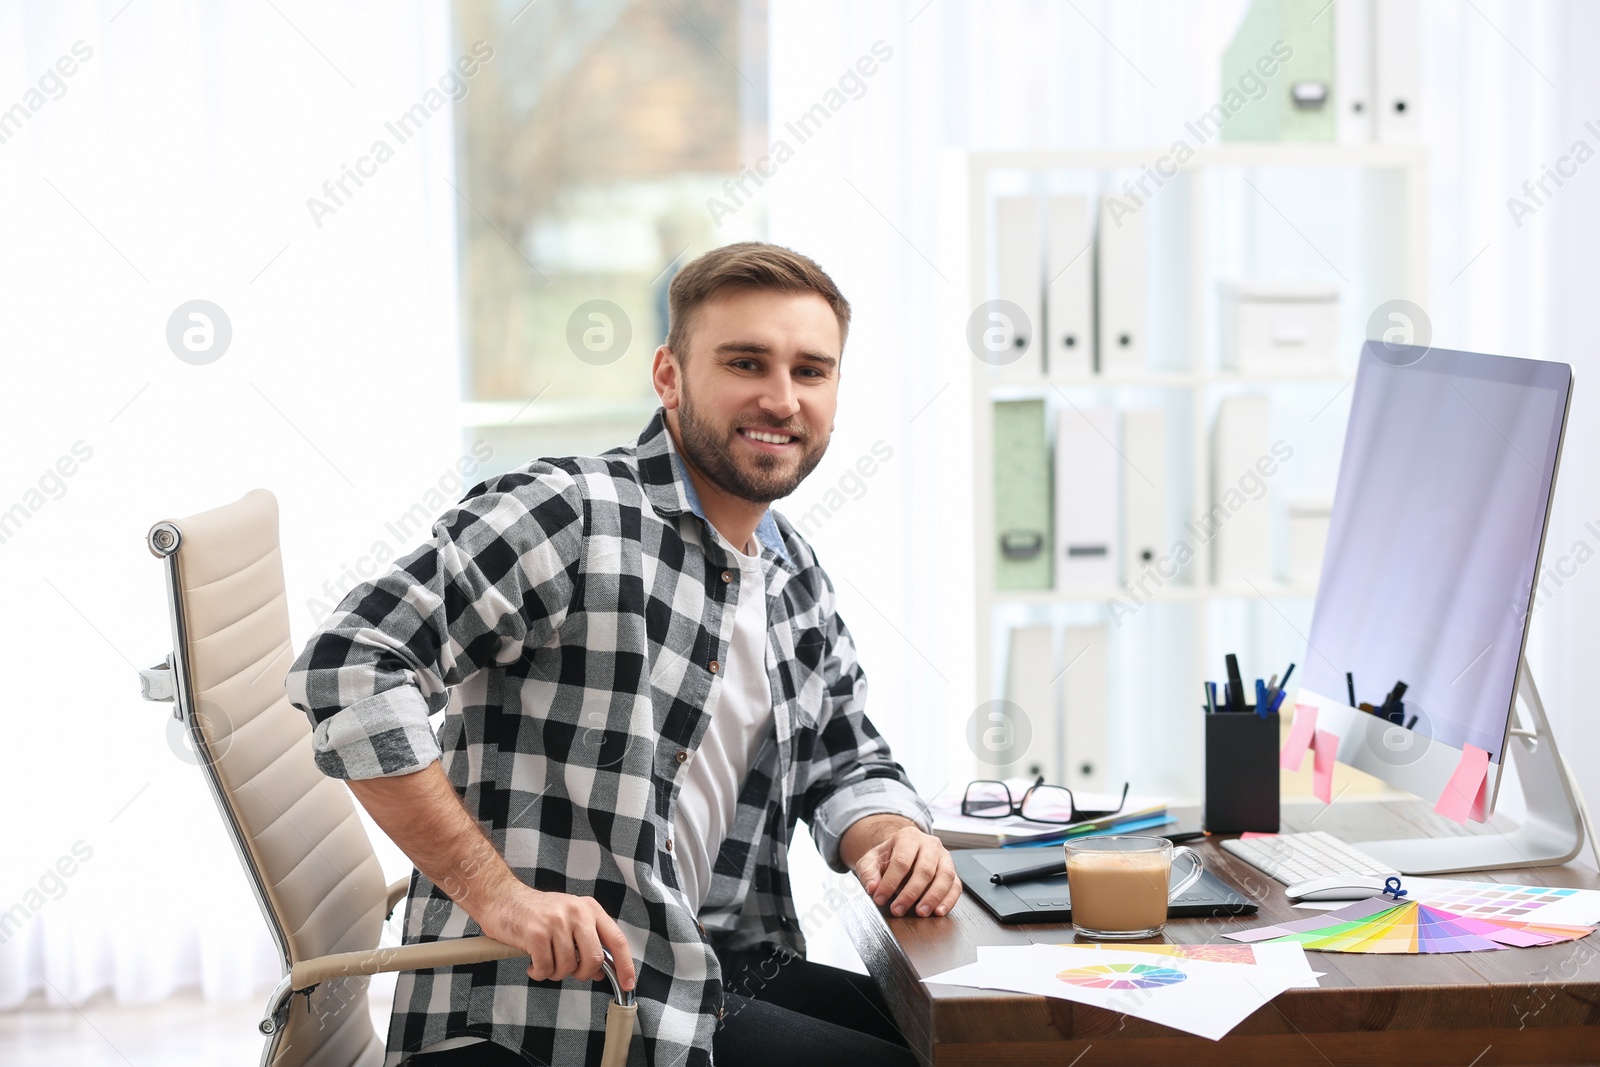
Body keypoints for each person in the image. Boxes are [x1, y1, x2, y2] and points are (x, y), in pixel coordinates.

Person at [286, 241, 960, 1067]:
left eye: (811, 371)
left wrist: (893, 836)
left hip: (705, 964)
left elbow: (847, 754)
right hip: (554, 1006)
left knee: (962, 1036)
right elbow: (350, 662)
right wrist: (498, 895)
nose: (782, 398)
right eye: (746, 362)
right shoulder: (572, 514)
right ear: (669, 377)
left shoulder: (788, 565)